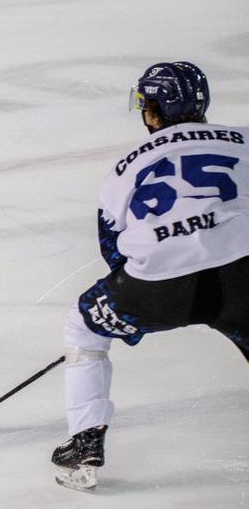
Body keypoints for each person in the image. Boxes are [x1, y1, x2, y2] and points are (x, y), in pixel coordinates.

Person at [51, 61, 249, 491]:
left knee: (84, 326)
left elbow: (112, 247)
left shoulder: (125, 166)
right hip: (242, 277)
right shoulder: (243, 140)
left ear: (152, 110)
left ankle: (85, 441)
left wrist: (127, 305)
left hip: (159, 287)